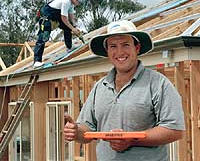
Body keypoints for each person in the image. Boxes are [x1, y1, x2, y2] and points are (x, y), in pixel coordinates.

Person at [63, 20, 185, 161]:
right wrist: (76, 131)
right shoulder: (99, 87)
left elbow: (174, 130)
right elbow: (88, 128)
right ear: (108, 51)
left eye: (125, 45)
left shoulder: (158, 83)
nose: (119, 52)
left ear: (137, 48)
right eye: (113, 46)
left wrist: (132, 140)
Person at [33, 0, 86, 67]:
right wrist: (73, 29)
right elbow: (64, 18)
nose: (78, 4)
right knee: (44, 37)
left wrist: (75, 26)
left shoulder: (71, 3)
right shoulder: (66, 1)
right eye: (79, 2)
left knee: (67, 28)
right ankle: (37, 61)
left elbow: (71, 15)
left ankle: (69, 47)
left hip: (55, 18)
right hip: (46, 18)